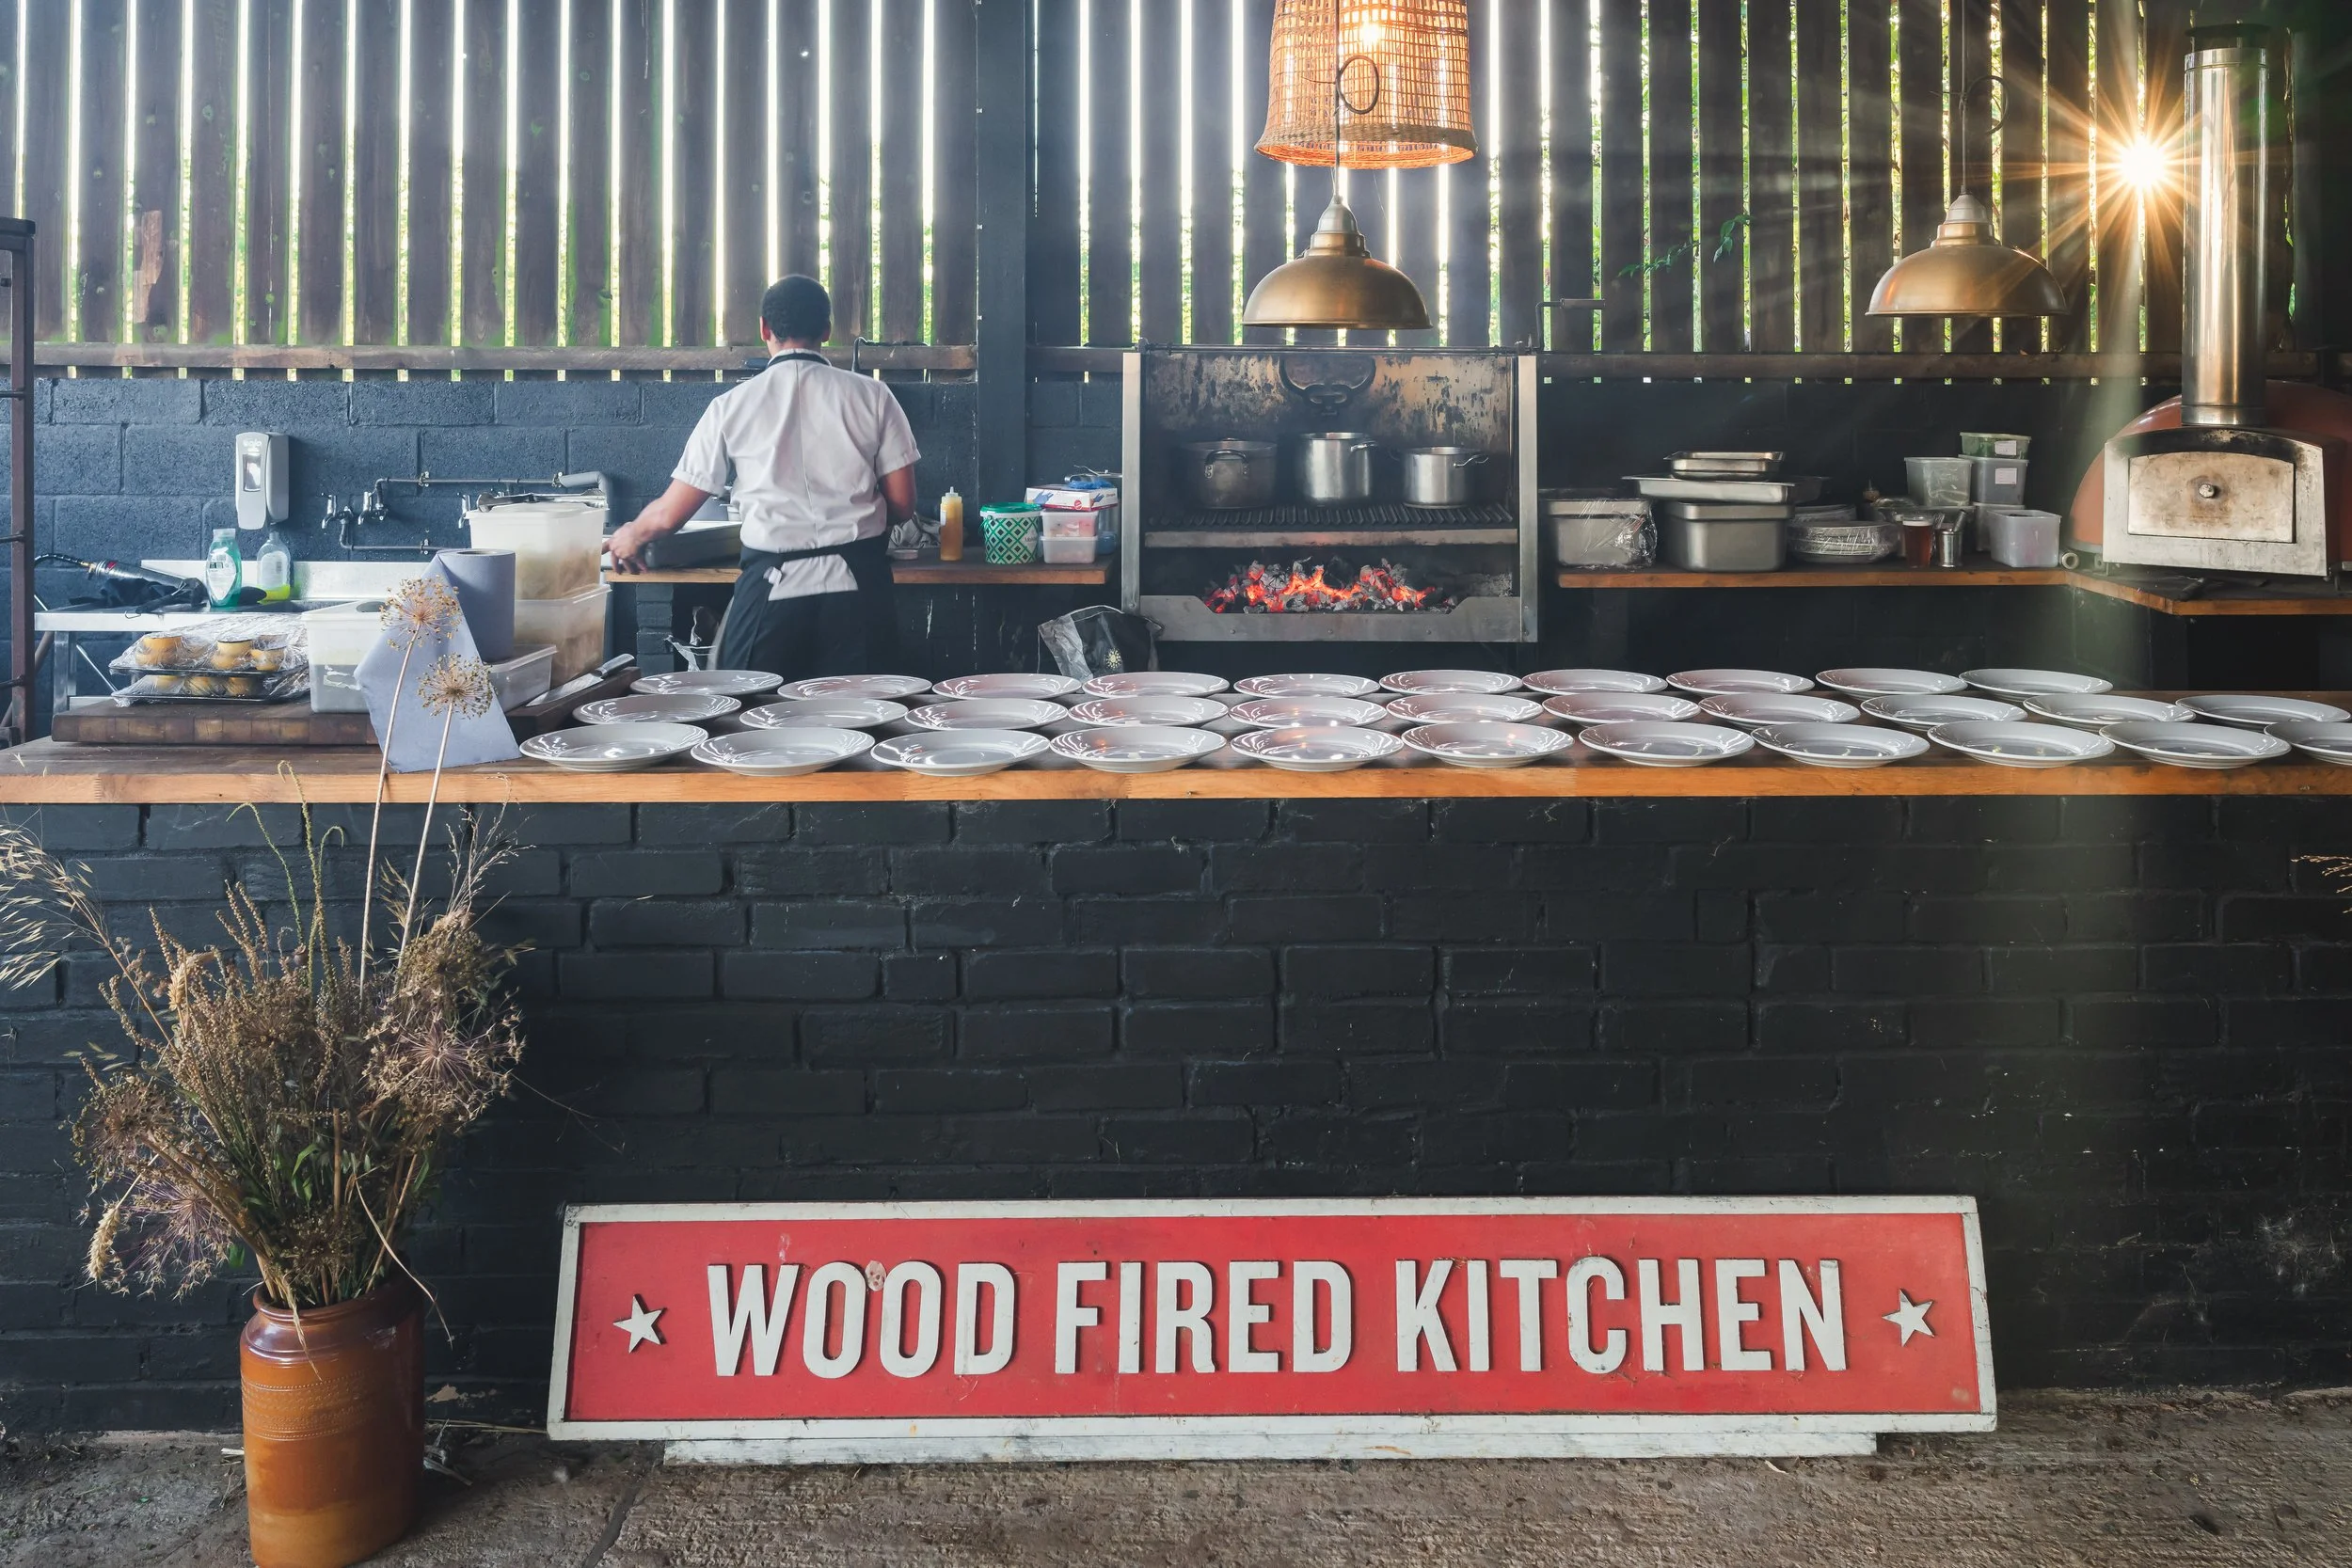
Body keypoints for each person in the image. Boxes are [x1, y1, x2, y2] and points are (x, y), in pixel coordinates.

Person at [606, 275, 919, 679]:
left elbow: (669, 516)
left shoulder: (730, 406)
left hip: (771, 585)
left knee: (748, 714)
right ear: (826, 329)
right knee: (864, 718)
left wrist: (631, 533)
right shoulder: (875, 397)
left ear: (764, 330)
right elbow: (903, 504)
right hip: (860, 585)